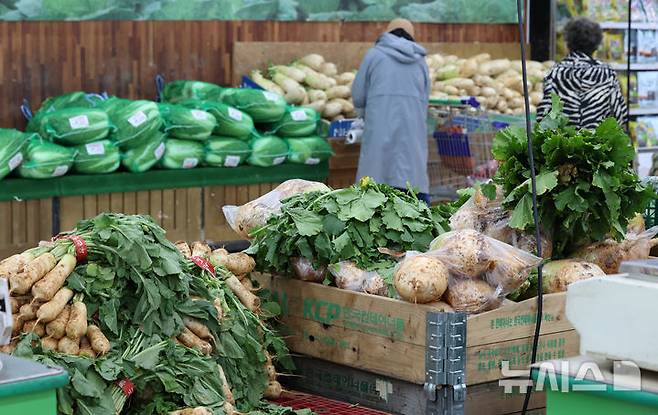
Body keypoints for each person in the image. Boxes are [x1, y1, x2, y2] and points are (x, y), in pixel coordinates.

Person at [351, 18, 431, 204]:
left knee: (373, 186)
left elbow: (358, 95)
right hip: (413, 134)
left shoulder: (374, 55)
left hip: (379, 129)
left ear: (388, 33)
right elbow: (425, 99)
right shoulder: (421, 62)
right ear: (412, 36)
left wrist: (365, 114)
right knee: (413, 189)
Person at [537, 17, 627, 129]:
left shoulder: (555, 72)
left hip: (562, 143)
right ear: (596, 46)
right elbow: (619, 115)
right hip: (599, 143)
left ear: (568, 44)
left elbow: (543, 116)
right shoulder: (607, 73)